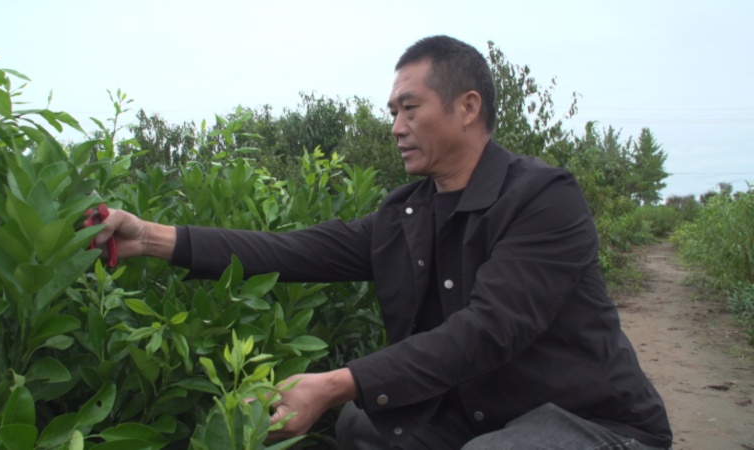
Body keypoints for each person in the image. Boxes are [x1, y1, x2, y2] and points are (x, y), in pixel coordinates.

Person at [93, 35, 672, 449]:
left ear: (467, 107)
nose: (395, 127)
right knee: (362, 425)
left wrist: (336, 383)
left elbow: (489, 331)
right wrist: (152, 237)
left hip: (592, 422)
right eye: (393, 111)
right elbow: (294, 251)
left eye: (409, 108)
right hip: (481, 416)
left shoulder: (542, 198)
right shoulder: (407, 213)